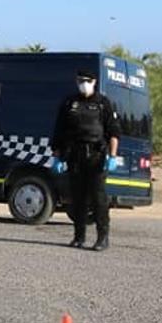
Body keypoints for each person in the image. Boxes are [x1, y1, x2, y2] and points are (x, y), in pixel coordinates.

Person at [51, 68, 121, 251]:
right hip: (75, 156)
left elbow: (113, 132)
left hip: (96, 157)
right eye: (80, 80)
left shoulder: (103, 103)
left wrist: (112, 157)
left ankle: (102, 238)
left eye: (87, 80)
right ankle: (78, 237)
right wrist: (57, 157)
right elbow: (59, 132)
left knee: (99, 199)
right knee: (77, 199)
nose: (83, 84)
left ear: (94, 82)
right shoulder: (69, 103)